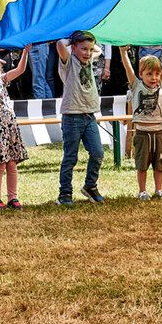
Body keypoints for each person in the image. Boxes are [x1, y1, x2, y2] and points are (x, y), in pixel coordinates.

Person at [121, 42, 162, 200]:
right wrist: (124, 53)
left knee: (160, 164)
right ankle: (142, 190)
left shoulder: (161, 84)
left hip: (158, 132)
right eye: (149, 74)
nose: (154, 78)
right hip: (142, 133)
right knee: (142, 165)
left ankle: (159, 190)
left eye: (156, 74)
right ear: (141, 74)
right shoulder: (136, 86)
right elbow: (128, 69)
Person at [56, 32, 105, 204]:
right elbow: (59, 45)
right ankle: (65, 194)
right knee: (71, 157)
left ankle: (90, 186)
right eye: (83, 49)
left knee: (98, 153)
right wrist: (73, 37)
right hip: (72, 116)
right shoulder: (69, 62)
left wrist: (86, 43)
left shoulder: (90, 60)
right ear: (74, 47)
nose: (88, 53)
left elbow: (98, 49)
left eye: (89, 50)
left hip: (89, 116)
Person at [0, 44, 30, 210]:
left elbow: (20, 70)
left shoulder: (2, 79)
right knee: (0, 164)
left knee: (12, 164)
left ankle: (13, 196)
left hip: (10, 126)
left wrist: (25, 53)